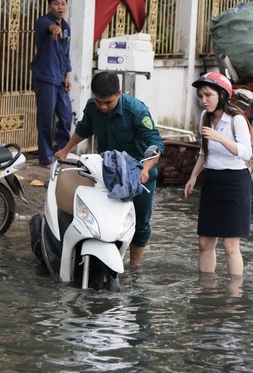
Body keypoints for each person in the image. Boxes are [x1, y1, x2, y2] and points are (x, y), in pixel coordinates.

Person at [54, 71, 163, 268]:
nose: (103, 107)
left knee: (140, 223)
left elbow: (155, 143)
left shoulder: (136, 111)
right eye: (99, 102)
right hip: (108, 172)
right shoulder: (92, 107)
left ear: (119, 93)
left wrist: (145, 169)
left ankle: (134, 266)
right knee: (103, 218)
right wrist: (65, 150)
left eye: (109, 103)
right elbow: (83, 129)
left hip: (139, 176)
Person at [183, 72, 252, 277]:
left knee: (230, 246)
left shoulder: (237, 119)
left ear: (222, 95)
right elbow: (204, 152)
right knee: (204, 244)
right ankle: (206, 289)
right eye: (200, 96)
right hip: (212, 181)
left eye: (208, 95)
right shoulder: (205, 118)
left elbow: (245, 152)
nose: (204, 101)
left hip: (235, 183)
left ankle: (234, 295)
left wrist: (220, 138)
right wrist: (193, 177)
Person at [30, 0, 73, 167]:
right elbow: (49, 27)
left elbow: (66, 54)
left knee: (66, 117)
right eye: (56, 4)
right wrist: (54, 29)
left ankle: (60, 151)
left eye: (63, 4)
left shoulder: (67, 27)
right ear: (50, 5)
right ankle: (46, 157)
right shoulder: (43, 22)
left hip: (61, 78)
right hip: (46, 77)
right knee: (46, 119)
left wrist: (68, 75)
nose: (60, 7)